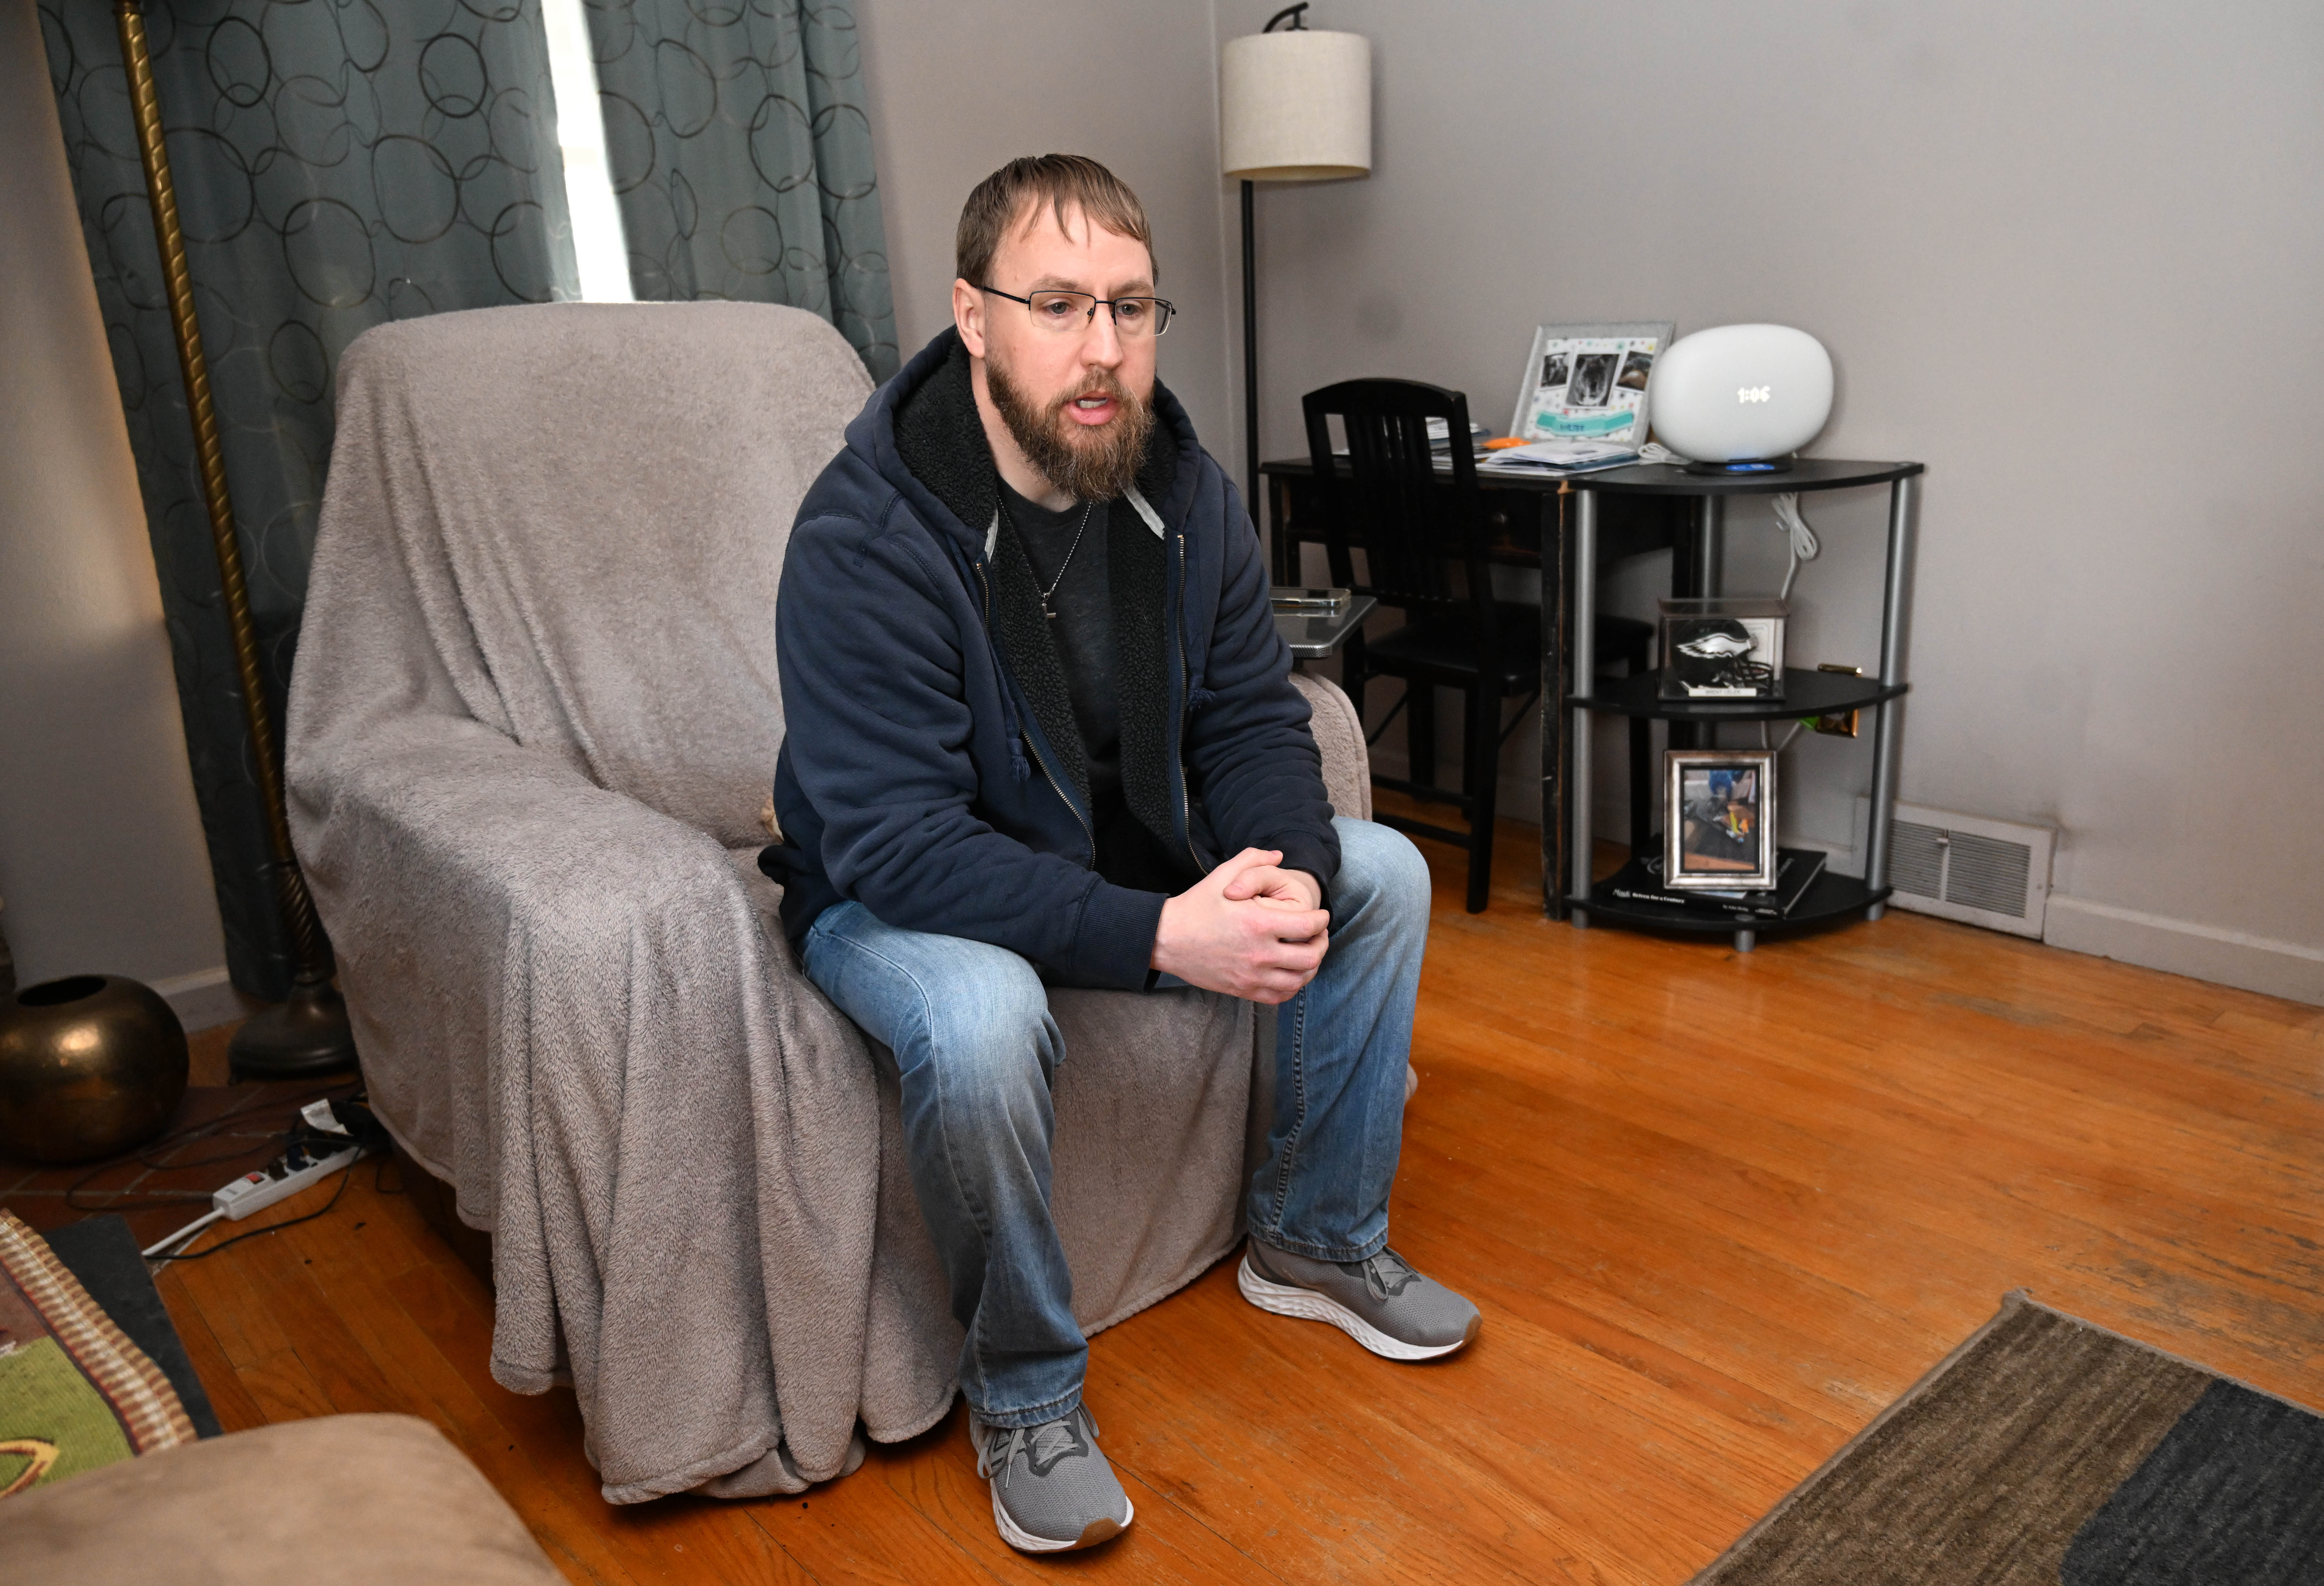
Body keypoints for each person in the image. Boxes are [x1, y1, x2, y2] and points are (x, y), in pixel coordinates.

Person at [767, 154, 1479, 1555]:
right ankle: (1025, 1393)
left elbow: (1248, 715)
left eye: (1132, 307)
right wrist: (1163, 937)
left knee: (1379, 872)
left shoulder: (1186, 490)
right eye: (1058, 305)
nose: (1102, 351)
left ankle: (1314, 1237)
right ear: (972, 318)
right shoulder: (863, 533)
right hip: (896, 883)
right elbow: (902, 844)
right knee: (978, 1016)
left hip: (1114, 845)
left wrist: (1274, 870)